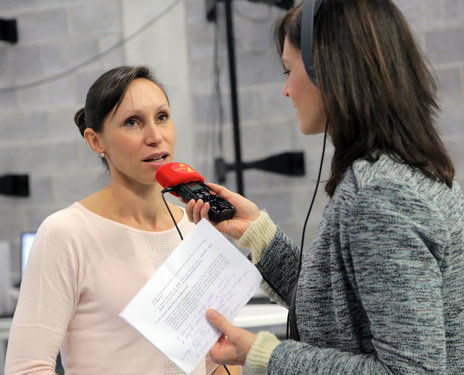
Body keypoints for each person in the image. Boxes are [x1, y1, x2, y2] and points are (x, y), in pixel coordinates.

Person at [185, 1, 464, 374]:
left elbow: (410, 371)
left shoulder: (380, 195)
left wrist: (266, 355)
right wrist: (257, 234)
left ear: (330, 70)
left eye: (289, 70)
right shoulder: (400, 172)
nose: (285, 90)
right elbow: (338, 307)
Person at [4, 66, 239, 375]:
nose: (155, 137)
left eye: (162, 117)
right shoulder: (66, 233)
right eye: (132, 122)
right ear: (96, 141)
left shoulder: (196, 225)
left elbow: (216, 359)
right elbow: (27, 368)